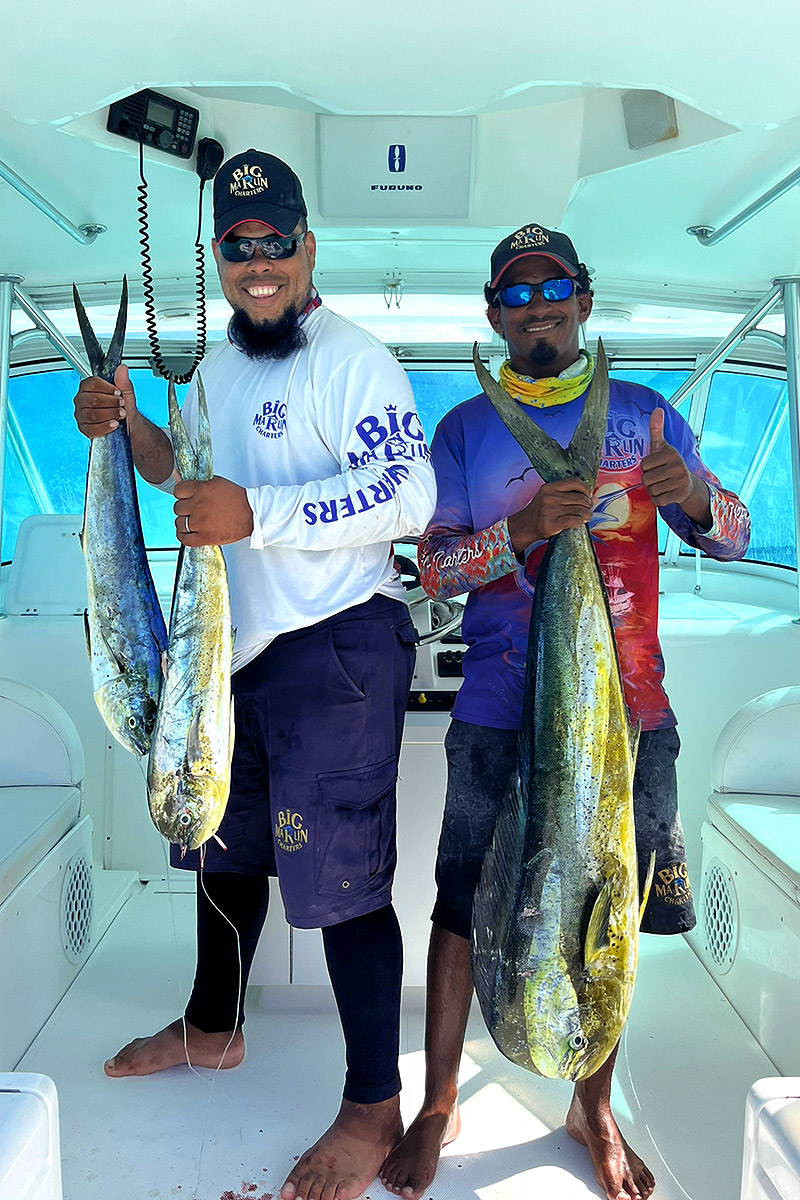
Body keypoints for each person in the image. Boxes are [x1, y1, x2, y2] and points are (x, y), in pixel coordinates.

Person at [73, 149, 437, 1200]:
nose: (257, 264)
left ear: (306, 248)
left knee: (341, 881)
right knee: (220, 842)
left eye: (275, 243)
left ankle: (373, 1108)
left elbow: (406, 497)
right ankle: (212, 1026)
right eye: (237, 248)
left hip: (335, 647)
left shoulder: (351, 360)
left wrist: (260, 516)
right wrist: (127, 425)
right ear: (220, 258)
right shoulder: (219, 372)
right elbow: (179, 470)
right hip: (231, 653)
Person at [379, 223, 751, 1200]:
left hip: (632, 716)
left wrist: (700, 501)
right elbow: (433, 571)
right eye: (515, 292)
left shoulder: (647, 416)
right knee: (460, 901)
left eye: (553, 288)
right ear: (495, 313)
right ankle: (437, 1100)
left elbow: (727, 538)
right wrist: (521, 529)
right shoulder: (463, 430)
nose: (535, 305)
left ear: (583, 300)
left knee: (610, 910)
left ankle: (592, 1107)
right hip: (500, 708)